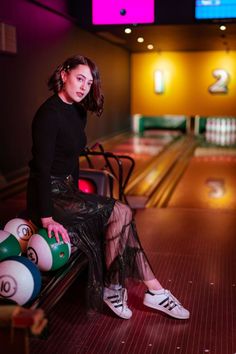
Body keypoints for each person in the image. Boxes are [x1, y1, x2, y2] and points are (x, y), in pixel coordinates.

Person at [27, 54, 190, 320]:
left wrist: (81, 198)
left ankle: (135, 289)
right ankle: (142, 291)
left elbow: (71, 161)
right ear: (64, 73)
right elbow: (41, 171)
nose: (83, 87)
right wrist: (47, 218)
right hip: (49, 196)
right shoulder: (47, 115)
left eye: (89, 83)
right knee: (122, 211)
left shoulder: (78, 110)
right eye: (79, 78)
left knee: (119, 216)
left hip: (68, 192)